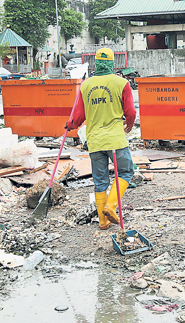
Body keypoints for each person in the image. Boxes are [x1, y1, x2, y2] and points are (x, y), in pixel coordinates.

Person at [66, 48, 136, 230]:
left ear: (96, 63)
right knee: (126, 171)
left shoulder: (86, 85)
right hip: (115, 140)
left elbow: (78, 116)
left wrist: (70, 125)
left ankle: (103, 222)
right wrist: (129, 123)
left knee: (100, 181)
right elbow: (131, 111)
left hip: (95, 141)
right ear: (112, 63)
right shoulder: (122, 83)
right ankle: (111, 206)